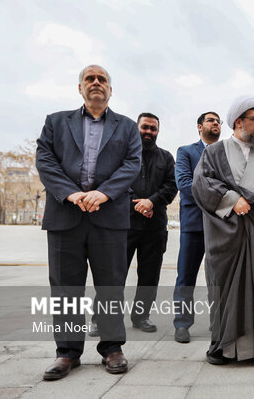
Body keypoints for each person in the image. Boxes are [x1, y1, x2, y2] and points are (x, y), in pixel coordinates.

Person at [36, 65, 141, 380]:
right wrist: (69, 193)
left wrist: (104, 193)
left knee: (110, 287)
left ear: (111, 89)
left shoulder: (127, 127)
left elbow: (132, 163)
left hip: (108, 218)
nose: (96, 83)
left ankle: (111, 348)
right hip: (64, 216)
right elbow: (45, 160)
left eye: (103, 79)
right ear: (79, 87)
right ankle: (67, 353)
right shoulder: (56, 122)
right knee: (65, 289)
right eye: (90, 79)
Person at [192, 96, 254, 365]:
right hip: (230, 236)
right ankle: (227, 348)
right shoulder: (214, 152)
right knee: (227, 292)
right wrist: (232, 199)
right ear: (239, 122)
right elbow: (202, 184)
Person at [125, 113, 178, 332]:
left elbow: (171, 186)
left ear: (158, 131)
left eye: (153, 128)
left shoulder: (166, 158)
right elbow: (116, 184)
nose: (148, 132)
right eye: (145, 127)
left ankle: (141, 317)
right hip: (124, 225)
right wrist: (137, 204)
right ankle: (101, 319)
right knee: (113, 275)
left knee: (149, 276)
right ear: (137, 128)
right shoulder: (123, 156)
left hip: (155, 226)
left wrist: (151, 202)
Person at [173, 111, 221, 343]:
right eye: (211, 120)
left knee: (221, 278)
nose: (216, 124)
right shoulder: (186, 152)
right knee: (186, 276)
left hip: (222, 225)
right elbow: (184, 184)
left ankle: (220, 321)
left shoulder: (227, 153)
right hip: (193, 224)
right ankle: (182, 323)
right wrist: (220, 194)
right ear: (199, 126)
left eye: (218, 121)